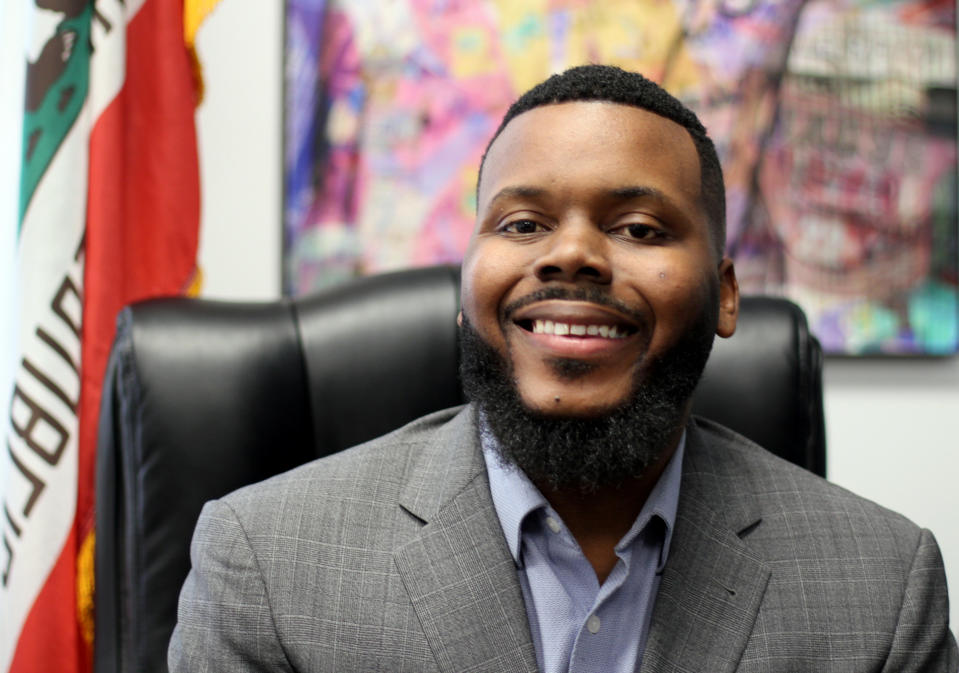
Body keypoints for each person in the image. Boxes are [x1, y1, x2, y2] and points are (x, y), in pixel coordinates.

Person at [169, 65, 957, 672]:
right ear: (467, 277)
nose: (571, 253)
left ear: (723, 295)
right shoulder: (265, 560)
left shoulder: (882, 588)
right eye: (522, 222)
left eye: (639, 227)